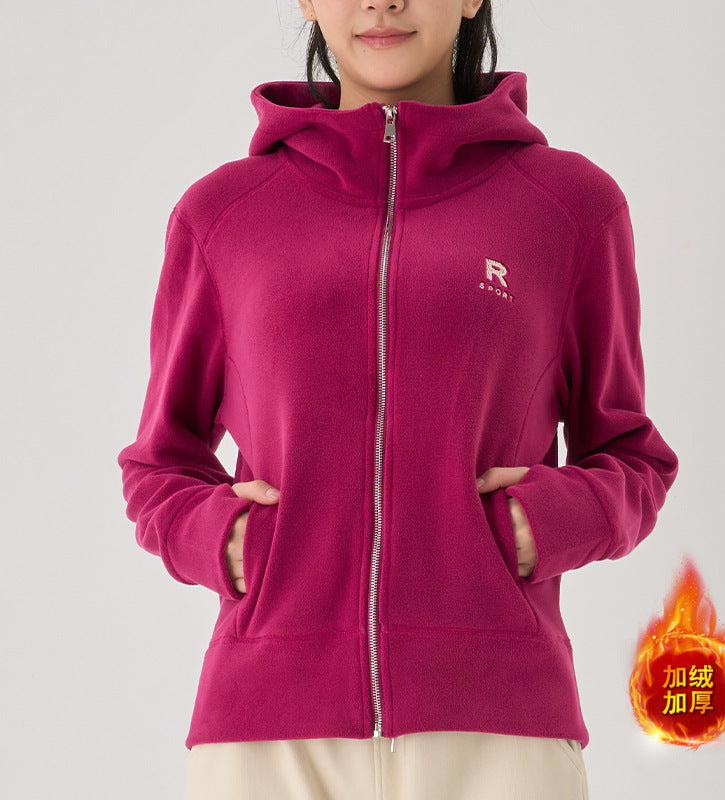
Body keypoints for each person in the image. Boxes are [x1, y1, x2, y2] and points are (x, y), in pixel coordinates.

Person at [116, 1, 679, 798]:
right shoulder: (223, 216)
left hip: (499, 732)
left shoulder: (569, 208)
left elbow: (631, 457)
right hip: (269, 739)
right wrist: (231, 539)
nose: (382, 1)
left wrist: (533, 526)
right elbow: (158, 465)